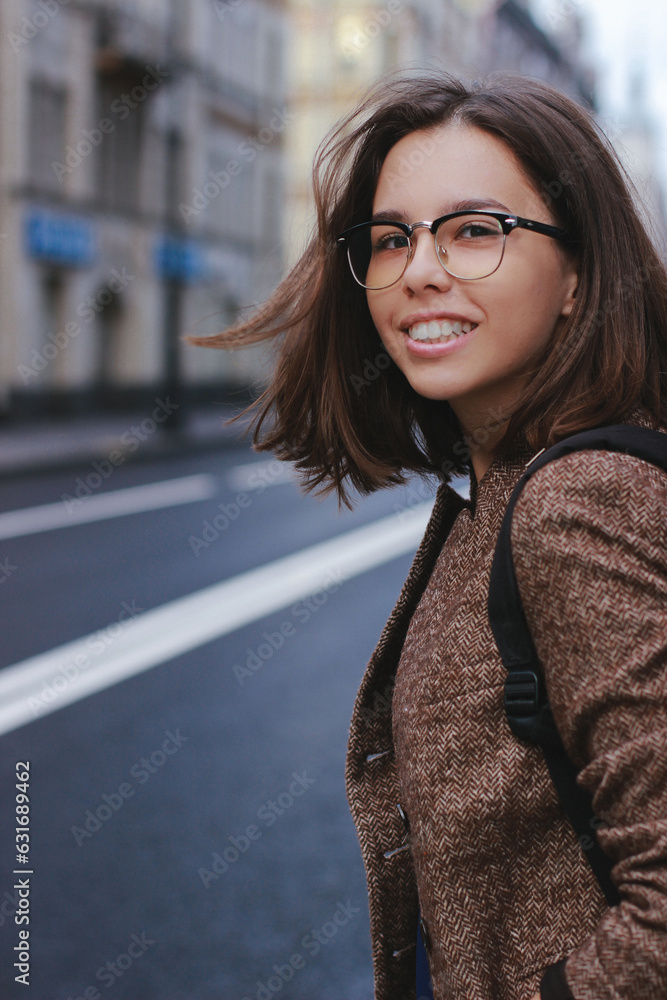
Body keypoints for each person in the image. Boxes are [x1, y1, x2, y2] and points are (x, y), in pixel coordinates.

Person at [189, 74, 667, 1000]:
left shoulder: (580, 501)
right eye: (390, 237)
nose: (419, 270)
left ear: (577, 275)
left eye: (475, 231)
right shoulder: (504, 492)